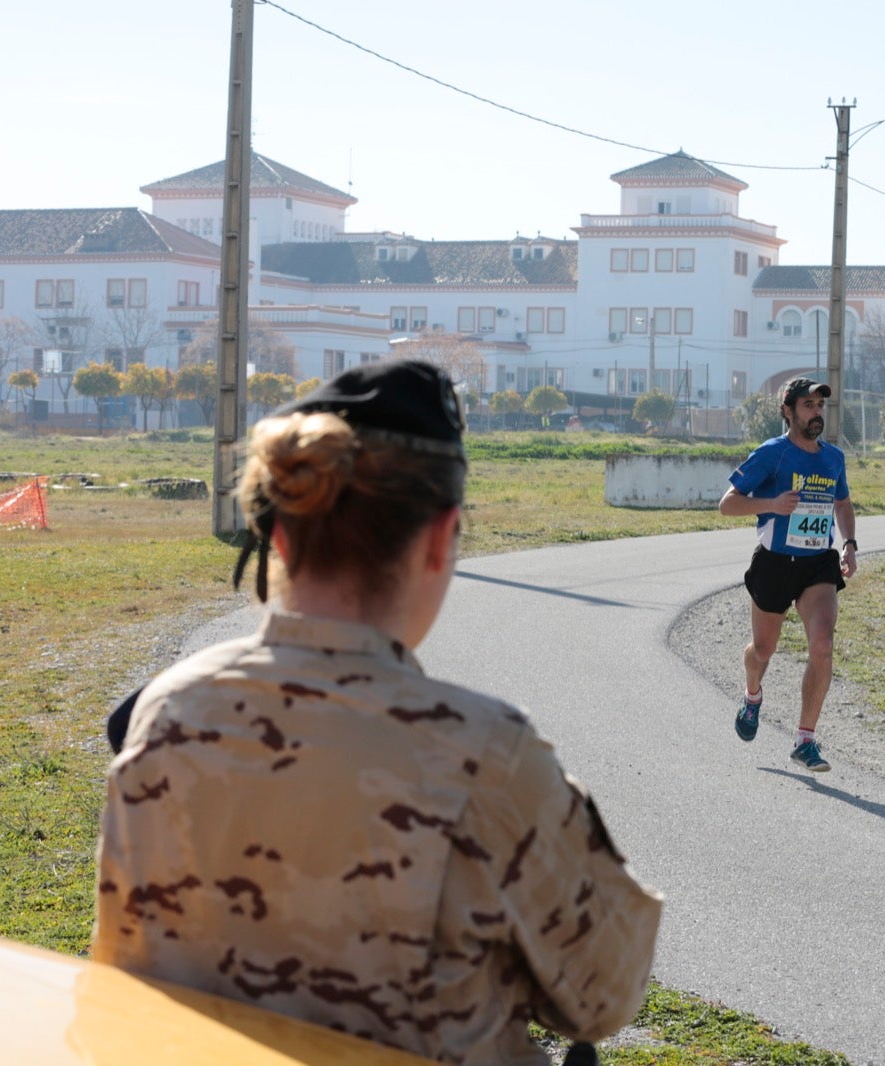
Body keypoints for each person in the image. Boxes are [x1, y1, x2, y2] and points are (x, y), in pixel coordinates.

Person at [93, 360, 661, 1065]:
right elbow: (605, 996)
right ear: (438, 537)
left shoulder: (164, 712)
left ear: (277, 537)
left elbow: (131, 965)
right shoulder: (483, 757)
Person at [719, 377, 857, 773]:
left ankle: (805, 739)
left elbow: (843, 505)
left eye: (820, 406)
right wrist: (772, 504)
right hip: (776, 563)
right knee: (762, 651)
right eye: (808, 405)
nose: (816, 413)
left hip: (818, 564)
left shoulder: (833, 458)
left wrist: (849, 544)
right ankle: (752, 696)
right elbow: (728, 505)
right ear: (788, 411)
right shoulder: (772, 454)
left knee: (823, 644)